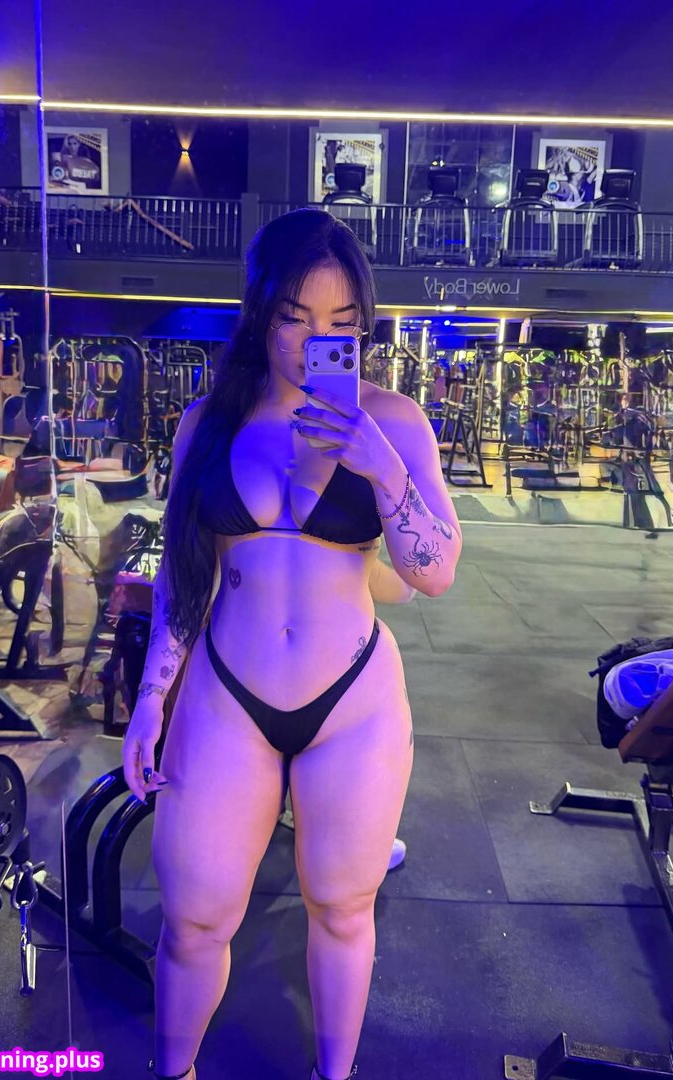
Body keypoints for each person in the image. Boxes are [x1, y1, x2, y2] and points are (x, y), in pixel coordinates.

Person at [122, 208, 462, 1080]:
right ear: (260, 312)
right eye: (296, 317)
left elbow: (434, 572)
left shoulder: (394, 421)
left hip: (351, 701)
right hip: (227, 693)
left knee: (343, 909)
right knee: (193, 918)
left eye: (342, 322)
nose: (318, 341)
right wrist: (151, 700)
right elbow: (183, 574)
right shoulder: (208, 421)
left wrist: (380, 466)